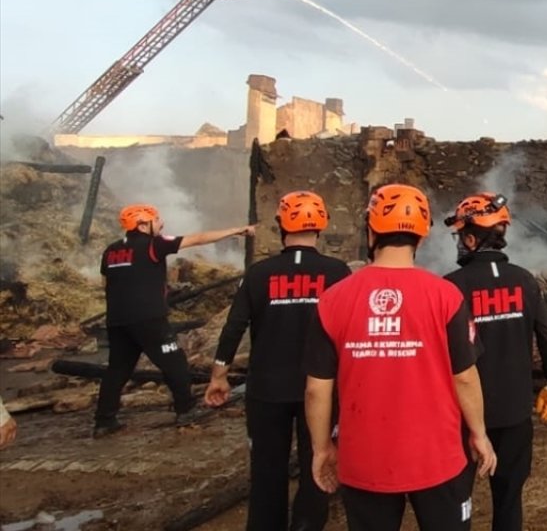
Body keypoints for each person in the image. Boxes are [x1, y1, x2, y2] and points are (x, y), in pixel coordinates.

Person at [303, 184, 496, 531]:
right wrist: (479, 434)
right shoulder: (446, 296)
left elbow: (317, 389)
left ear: (371, 230)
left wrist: (321, 449)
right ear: (421, 238)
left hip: (363, 459)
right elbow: (465, 376)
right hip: (437, 457)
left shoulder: (332, 300)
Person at [205, 191, 351, 531]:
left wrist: (219, 374)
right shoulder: (338, 272)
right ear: (321, 225)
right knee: (319, 460)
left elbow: (234, 326)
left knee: (267, 470)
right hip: (321, 390)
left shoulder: (259, 273)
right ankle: (306, 526)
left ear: (282, 224)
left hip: (266, 390)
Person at [442, 192, 547, 531]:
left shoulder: (450, 287)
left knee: (457, 499)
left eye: (460, 237)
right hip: (515, 410)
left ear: (470, 238)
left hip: (462, 416)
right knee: (509, 497)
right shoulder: (524, 280)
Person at [93, 204, 254, 438]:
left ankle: (104, 421)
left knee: (117, 370)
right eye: (156, 220)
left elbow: (106, 285)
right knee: (175, 363)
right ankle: (186, 410)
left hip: (118, 321)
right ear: (142, 224)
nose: (161, 224)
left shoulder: (111, 251)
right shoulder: (153, 245)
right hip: (149, 318)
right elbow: (198, 239)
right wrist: (236, 231)